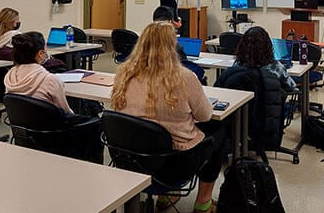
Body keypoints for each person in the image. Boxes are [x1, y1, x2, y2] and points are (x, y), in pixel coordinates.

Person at [111, 22, 225, 213]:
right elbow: (204, 116)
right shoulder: (185, 77)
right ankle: (203, 202)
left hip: (131, 157)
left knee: (153, 133)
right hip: (175, 162)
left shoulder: (124, 73)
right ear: (172, 46)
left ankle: (166, 196)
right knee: (218, 132)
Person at [4, 32, 73, 113]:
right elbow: (66, 112)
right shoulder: (51, 80)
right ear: (40, 53)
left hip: (21, 124)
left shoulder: (10, 77)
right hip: (51, 124)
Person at [232, 26, 297, 92]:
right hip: (269, 101)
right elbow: (292, 87)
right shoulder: (276, 67)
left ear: (242, 46)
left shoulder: (237, 65)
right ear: (268, 46)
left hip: (244, 101)